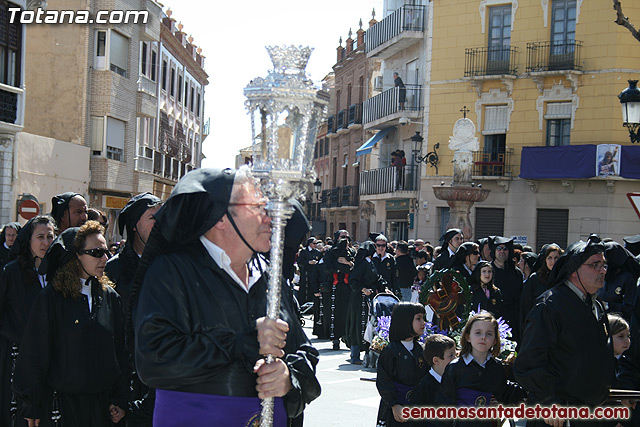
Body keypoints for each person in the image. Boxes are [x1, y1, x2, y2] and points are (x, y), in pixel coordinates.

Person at [132, 167, 320, 426]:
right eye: (258, 206)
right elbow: (152, 361)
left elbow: (306, 352)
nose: (271, 217)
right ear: (219, 216)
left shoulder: (269, 275)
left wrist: (289, 378)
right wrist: (239, 343)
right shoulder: (172, 271)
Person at [13, 221, 128, 426]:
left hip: (102, 408)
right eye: (96, 252)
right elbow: (34, 352)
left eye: (105, 251)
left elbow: (120, 352)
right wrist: (31, 404)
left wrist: (119, 399)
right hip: (63, 408)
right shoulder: (52, 298)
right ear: (76, 256)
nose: (105, 258)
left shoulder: (110, 298)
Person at [514, 235, 615, 427]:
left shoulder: (596, 305)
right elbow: (529, 363)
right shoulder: (549, 306)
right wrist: (549, 400)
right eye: (595, 265)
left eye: (604, 264)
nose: (602, 270)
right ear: (573, 270)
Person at [104, 192, 162, 427]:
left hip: (159, 371)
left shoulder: (170, 265)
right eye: (152, 218)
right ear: (135, 225)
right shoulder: (114, 269)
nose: (159, 224)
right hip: (124, 372)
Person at [0, 216, 55, 427]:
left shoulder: (56, 273)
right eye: (40, 237)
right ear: (28, 241)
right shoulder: (12, 272)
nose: (46, 242)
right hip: (15, 358)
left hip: (47, 360)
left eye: (50, 236)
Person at [438, 312, 525, 427]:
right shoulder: (455, 367)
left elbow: (503, 392)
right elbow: (445, 403)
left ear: (495, 340)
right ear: (468, 336)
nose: (483, 337)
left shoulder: (497, 367)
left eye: (489, 334)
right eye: (478, 333)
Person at [376, 302, 428, 427]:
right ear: (405, 321)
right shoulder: (391, 351)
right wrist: (394, 404)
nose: (423, 323)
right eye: (418, 318)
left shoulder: (420, 349)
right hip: (396, 409)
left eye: (424, 318)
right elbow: (384, 381)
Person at [345, 241, 386, 365]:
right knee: (358, 324)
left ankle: (368, 354)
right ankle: (355, 354)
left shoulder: (370, 263)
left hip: (370, 298)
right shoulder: (362, 264)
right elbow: (353, 280)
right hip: (359, 299)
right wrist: (363, 289)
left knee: (369, 325)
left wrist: (384, 287)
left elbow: (377, 278)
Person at [323, 229, 355, 350]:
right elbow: (326, 268)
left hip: (348, 286)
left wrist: (348, 263)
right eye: (342, 237)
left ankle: (347, 336)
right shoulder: (331, 252)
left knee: (348, 312)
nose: (345, 240)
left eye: (347, 237)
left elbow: (356, 267)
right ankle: (335, 339)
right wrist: (338, 267)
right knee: (335, 313)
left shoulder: (352, 251)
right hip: (335, 286)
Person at [519, 243, 562, 330]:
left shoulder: (563, 279)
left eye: (556, 258)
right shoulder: (535, 279)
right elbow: (525, 307)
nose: (553, 262)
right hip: (537, 326)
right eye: (549, 258)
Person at [409, 334, 456, 413]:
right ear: (436, 361)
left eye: (455, 354)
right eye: (451, 355)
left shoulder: (454, 380)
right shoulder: (425, 388)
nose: (455, 359)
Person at [489, 236, 523, 342]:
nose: (502, 251)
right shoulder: (487, 270)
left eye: (505, 249)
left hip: (513, 317)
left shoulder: (516, 272)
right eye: (499, 248)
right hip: (493, 316)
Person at [296, 238, 322, 306]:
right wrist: (308, 262)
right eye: (314, 243)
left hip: (314, 273)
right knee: (304, 290)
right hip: (306, 274)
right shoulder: (304, 251)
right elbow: (299, 262)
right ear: (310, 243)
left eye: (316, 244)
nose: (315, 245)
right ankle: (302, 305)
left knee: (313, 289)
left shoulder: (317, 252)